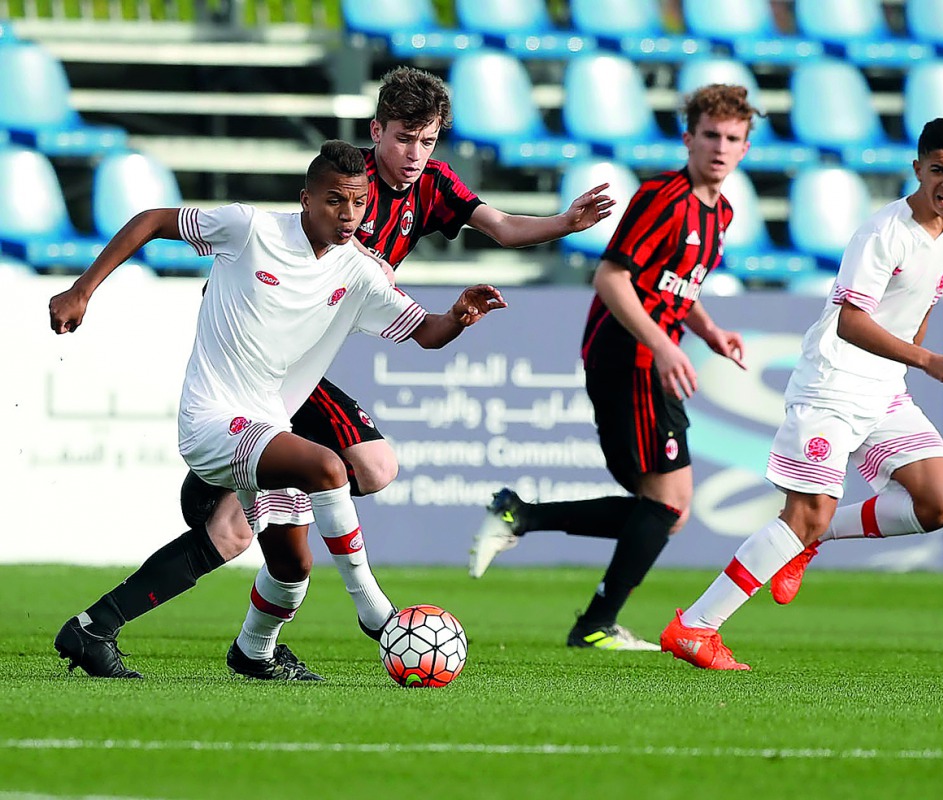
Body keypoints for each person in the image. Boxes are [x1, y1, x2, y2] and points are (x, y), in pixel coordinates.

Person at [50, 64, 611, 679]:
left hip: (274, 402)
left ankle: (137, 634)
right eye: (338, 200)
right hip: (215, 412)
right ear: (310, 196)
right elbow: (155, 219)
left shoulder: (363, 268)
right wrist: (82, 290)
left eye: (359, 203)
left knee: (282, 562)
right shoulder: (253, 229)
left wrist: (460, 315)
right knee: (331, 466)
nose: (350, 212)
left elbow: (427, 329)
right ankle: (376, 614)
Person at [659, 117, 943, 670]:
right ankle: (695, 627)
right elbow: (851, 323)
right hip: (831, 385)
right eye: (937, 170)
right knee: (802, 514)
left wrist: (913, 359)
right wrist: (927, 360)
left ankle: (811, 539)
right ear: (917, 169)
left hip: (884, 389)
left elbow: (919, 309)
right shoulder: (883, 232)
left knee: (941, 503)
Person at [467, 84, 756, 651]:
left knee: (665, 512)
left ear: (745, 148)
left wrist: (709, 332)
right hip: (630, 355)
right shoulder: (662, 198)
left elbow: (674, 287)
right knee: (668, 505)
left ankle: (522, 520)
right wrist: (668, 347)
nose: (720, 148)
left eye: (733, 139)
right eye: (711, 136)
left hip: (653, 356)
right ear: (688, 138)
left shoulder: (720, 211)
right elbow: (612, 277)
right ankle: (591, 619)